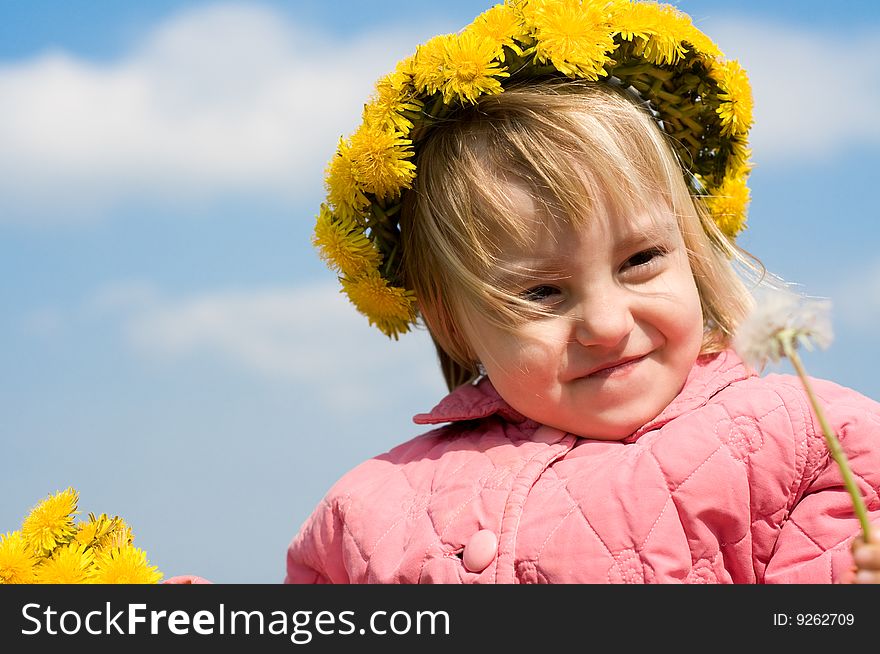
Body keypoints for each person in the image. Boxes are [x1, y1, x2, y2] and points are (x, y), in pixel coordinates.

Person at [171, 0, 880, 584]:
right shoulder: (364, 512)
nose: (604, 323)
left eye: (640, 260)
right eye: (541, 292)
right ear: (451, 320)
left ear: (692, 250)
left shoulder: (815, 445)